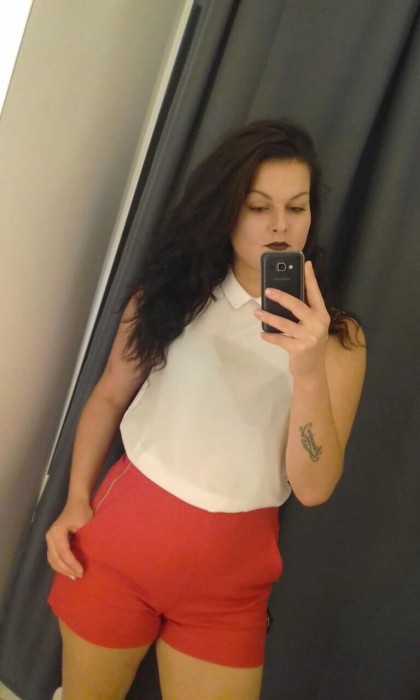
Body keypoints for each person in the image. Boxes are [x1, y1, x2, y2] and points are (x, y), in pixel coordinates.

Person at [46, 119, 366, 700]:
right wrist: (74, 499)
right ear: (226, 209)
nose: (280, 224)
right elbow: (111, 394)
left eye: (296, 207)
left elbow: (315, 488)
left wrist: (308, 370)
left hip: (231, 581)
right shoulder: (171, 295)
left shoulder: (337, 340)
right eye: (258, 206)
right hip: (121, 541)